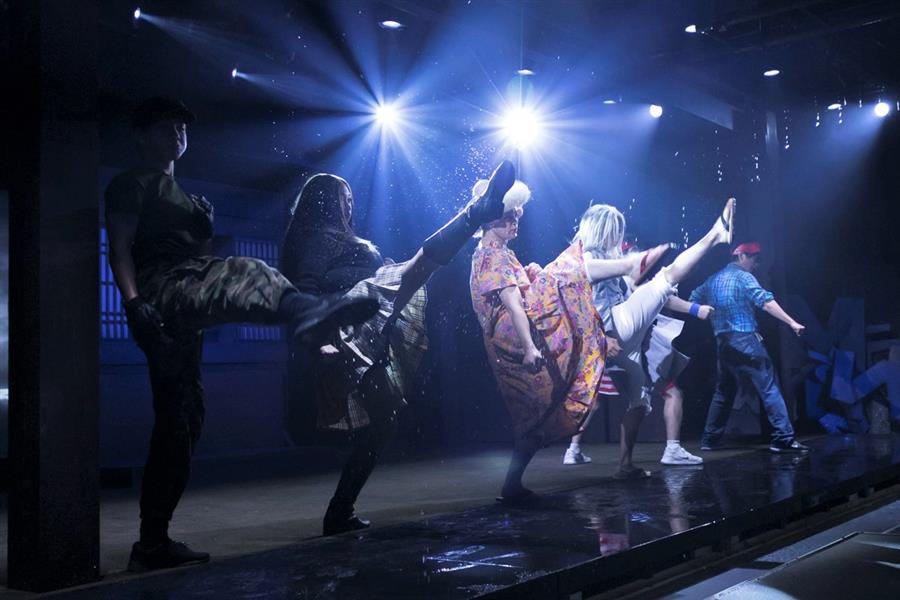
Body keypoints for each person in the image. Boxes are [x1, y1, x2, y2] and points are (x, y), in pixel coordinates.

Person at [105, 97, 379, 571]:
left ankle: (152, 542)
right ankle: (308, 312)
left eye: (182, 128)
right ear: (141, 136)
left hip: (184, 295)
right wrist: (132, 304)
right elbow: (120, 246)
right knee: (245, 271)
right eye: (166, 127)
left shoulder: (185, 196)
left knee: (183, 418)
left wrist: (203, 227)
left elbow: (199, 260)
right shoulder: (132, 183)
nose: (177, 135)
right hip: (160, 290)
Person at [282, 161, 516, 535]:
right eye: (343, 197)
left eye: (351, 197)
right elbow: (302, 291)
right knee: (416, 269)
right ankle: (475, 213)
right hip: (340, 325)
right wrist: (321, 342)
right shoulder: (313, 239)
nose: (349, 204)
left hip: (366, 323)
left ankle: (340, 511)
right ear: (323, 202)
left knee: (384, 423)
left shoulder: (340, 240)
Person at [567, 199, 734, 478]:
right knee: (665, 279)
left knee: (639, 400)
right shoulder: (586, 258)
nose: (618, 234)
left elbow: (640, 289)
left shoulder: (609, 258)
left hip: (623, 337)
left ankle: (625, 466)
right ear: (601, 229)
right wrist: (603, 336)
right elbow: (581, 307)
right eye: (615, 228)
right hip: (613, 329)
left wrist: (642, 267)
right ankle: (715, 234)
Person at [469, 181, 609, 505]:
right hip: (514, 343)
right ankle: (511, 484)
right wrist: (530, 347)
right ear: (491, 220)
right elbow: (513, 305)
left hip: (514, 340)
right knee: (536, 410)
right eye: (508, 218)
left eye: (517, 217)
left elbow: (514, 296)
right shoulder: (492, 256)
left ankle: (512, 485)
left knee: (537, 413)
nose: (515, 223)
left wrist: (530, 278)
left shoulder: (499, 253)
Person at [692, 242, 809, 453]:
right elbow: (766, 302)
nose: (757, 264)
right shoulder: (744, 277)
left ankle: (709, 439)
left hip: (723, 342)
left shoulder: (713, 279)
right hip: (745, 339)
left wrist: (708, 312)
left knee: (724, 390)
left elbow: (693, 298)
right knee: (769, 387)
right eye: (754, 258)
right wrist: (791, 322)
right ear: (742, 256)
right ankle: (783, 438)